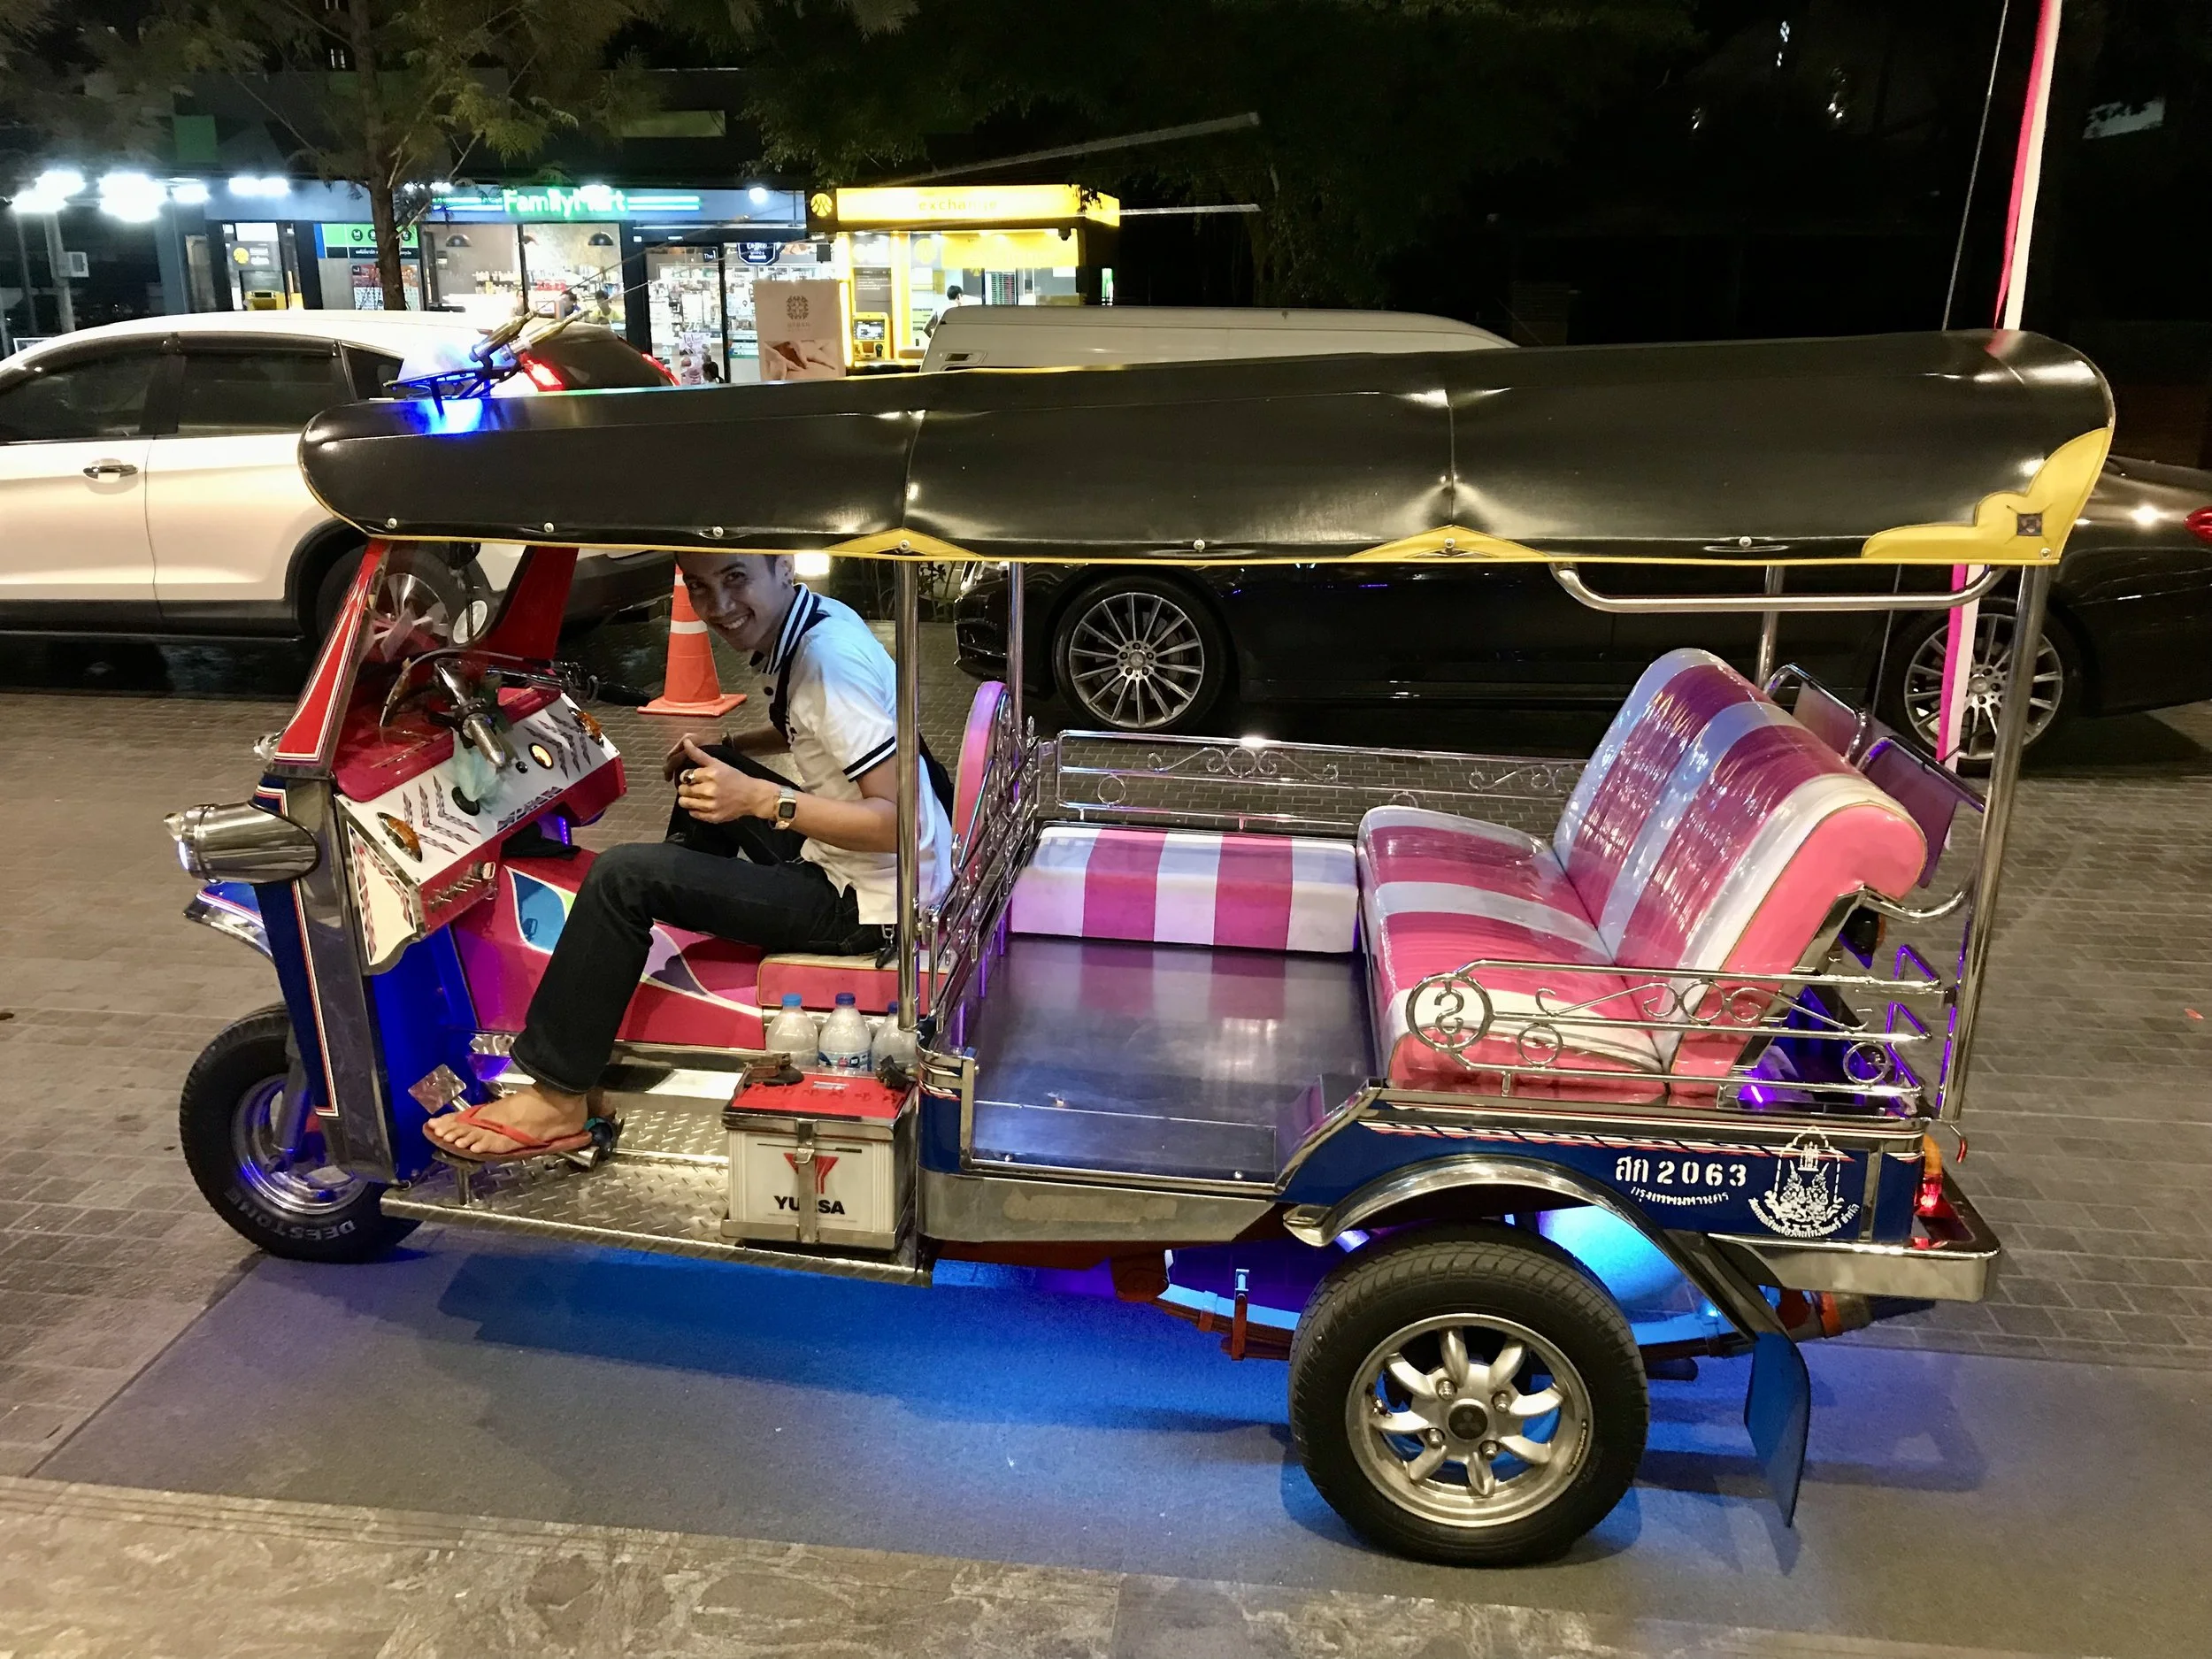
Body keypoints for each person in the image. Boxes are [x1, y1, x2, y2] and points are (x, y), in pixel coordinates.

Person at [424, 551, 954, 1162]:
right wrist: (726, 748)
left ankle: (556, 1097)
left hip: (865, 904)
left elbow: (899, 827)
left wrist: (760, 799)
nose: (720, 607)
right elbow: (811, 726)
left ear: (782, 567)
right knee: (704, 777)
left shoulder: (825, 662)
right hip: (868, 870)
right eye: (701, 588)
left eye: (736, 580)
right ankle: (636, 959)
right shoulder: (817, 622)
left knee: (622, 877)